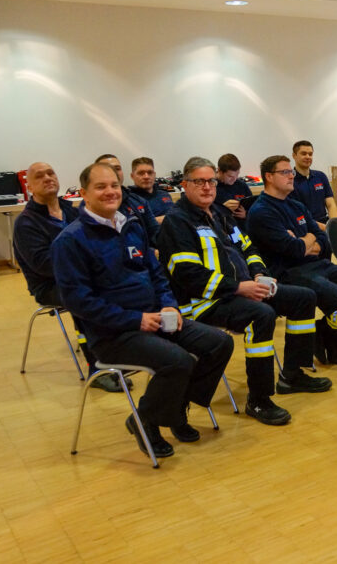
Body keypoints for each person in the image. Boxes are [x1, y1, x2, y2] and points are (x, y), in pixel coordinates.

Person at [51, 162, 234, 459]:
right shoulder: (71, 241)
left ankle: (174, 410)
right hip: (112, 334)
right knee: (178, 361)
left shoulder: (132, 226)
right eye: (101, 187)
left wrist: (167, 305)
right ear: (83, 193)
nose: (110, 192)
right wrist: (135, 320)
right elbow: (79, 302)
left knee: (219, 343)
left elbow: (157, 273)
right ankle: (145, 420)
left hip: (155, 319)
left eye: (114, 185)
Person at [158, 157, 332, 427]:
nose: (207, 187)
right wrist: (240, 287)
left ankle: (293, 374)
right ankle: (259, 399)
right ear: (184, 185)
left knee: (303, 298)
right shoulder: (177, 222)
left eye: (211, 181)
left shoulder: (219, 214)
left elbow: (248, 247)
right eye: (199, 182)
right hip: (203, 302)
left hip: (242, 288)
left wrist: (259, 274)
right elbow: (188, 276)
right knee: (260, 316)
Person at [14, 162, 126, 393]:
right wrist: (88, 265)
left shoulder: (72, 210)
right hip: (50, 285)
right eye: (39, 176)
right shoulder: (26, 223)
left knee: (125, 287)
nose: (47, 178)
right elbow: (44, 266)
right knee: (84, 297)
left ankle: (121, 355)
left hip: (85, 276)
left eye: (51, 173)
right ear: (30, 186)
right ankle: (96, 368)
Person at [249, 155, 337, 365]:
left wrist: (306, 242)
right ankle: (331, 342)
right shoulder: (261, 212)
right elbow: (293, 250)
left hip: (318, 265)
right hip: (289, 273)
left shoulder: (296, 206)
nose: (291, 176)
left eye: (291, 172)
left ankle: (324, 334)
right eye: (284, 172)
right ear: (268, 177)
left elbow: (324, 238)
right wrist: (305, 242)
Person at [94, 154, 160, 246]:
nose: (114, 172)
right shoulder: (90, 207)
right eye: (107, 168)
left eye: (117, 168)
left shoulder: (138, 202)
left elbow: (156, 233)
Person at [291, 140, 337, 230]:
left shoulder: (320, 176)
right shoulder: (290, 181)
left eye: (310, 154)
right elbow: (297, 215)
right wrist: (326, 229)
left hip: (325, 223)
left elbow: (331, 204)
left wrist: (334, 224)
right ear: (294, 156)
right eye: (303, 154)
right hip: (304, 227)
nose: (308, 157)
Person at [128, 156, 174, 223]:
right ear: (132, 176)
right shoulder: (129, 200)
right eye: (141, 173)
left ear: (154, 175)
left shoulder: (165, 194)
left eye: (150, 172)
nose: (146, 177)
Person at [215, 153, 253, 227]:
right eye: (230, 176)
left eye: (237, 175)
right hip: (221, 228)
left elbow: (253, 207)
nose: (234, 179)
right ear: (219, 171)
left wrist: (246, 214)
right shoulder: (210, 187)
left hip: (242, 228)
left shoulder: (241, 185)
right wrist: (223, 209)